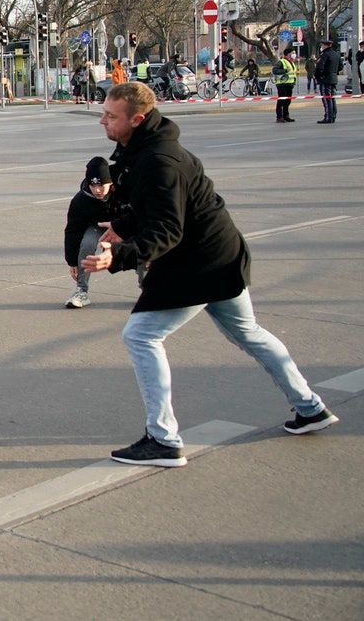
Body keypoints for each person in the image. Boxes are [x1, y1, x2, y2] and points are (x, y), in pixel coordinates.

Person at [82, 82, 338, 467]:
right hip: (219, 255)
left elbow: (169, 228)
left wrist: (117, 256)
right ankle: (310, 407)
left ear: (137, 119)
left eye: (110, 116)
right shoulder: (145, 150)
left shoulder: (160, 161)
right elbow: (157, 207)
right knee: (249, 333)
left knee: (141, 335)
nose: (102, 120)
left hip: (199, 262)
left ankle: (163, 440)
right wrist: (122, 223)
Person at [62, 156, 124, 309]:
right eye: (93, 185)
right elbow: (72, 231)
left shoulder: (123, 192)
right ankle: (81, 291)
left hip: (123, 224)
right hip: (97, 226)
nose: (97, 190)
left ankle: (146, 289)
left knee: (140, 245)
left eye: (102, 185)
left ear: (110, 183)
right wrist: (72, 261)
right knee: (87, 243)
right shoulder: (80, 200)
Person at [314, 40, 340, 124]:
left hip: (325, 80)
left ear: (325, 46)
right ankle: (333, 116)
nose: (321, 47)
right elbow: (340, 66)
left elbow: (320, 67)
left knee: (326, 99)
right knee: (332, 98)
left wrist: (318, 76)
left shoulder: (324, 55)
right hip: (333, 79)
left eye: (322, 45)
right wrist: (334, 73)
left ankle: (328, 117)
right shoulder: (335, 54)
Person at [273, 48, 298, 123]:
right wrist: (284, 71)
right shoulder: (281, 62)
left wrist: (293, 82)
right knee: (281, 101)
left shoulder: (292, 62)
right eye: (292, 53)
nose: (294, 54)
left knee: (288, 101)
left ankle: (286, 116)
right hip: (282, 84)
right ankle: (279, 117)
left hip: (289, 84)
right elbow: (275, 70)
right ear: (288, 54)